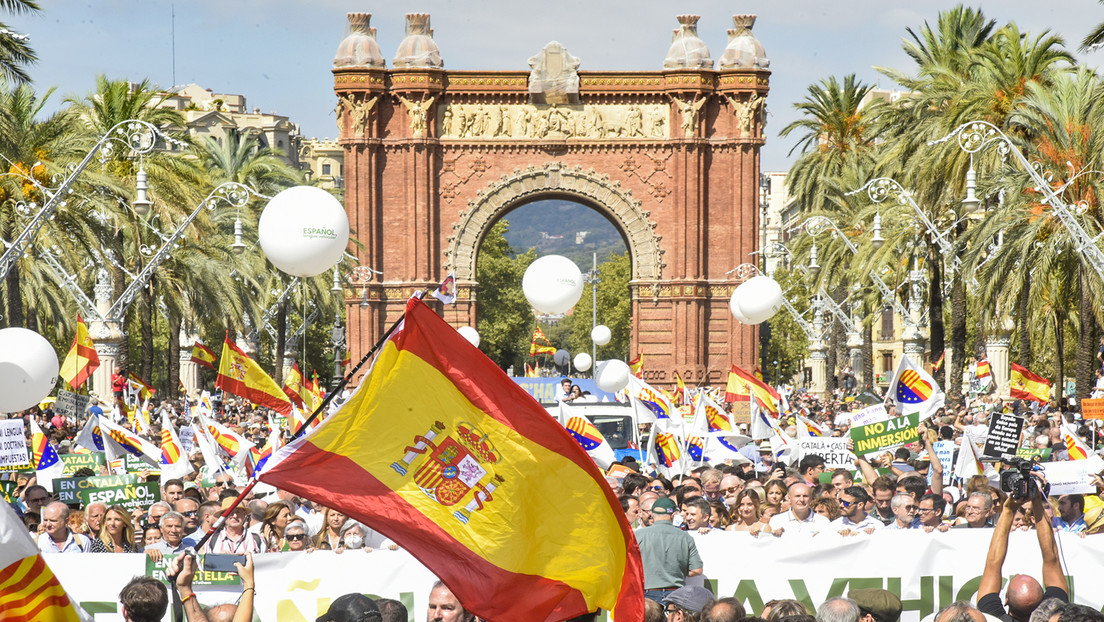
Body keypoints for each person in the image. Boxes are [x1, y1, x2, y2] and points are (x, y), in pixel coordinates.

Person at [977, 494, 1068, 622]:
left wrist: (1008, 510)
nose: (1018, 573)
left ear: (1006, 601)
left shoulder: (992, 616)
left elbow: (993, 563)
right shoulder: (1056, 615)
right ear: (1042, 602)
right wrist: (1036, 501)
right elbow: (1051, 558)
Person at [635, 497, 703, 602]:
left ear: (653, 514)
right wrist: (675, 571)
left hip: (647, 593)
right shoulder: (685, 537)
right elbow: (697, 570)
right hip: (676, 592)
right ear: (673, 515)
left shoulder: (639, 535)